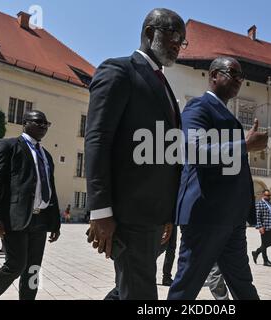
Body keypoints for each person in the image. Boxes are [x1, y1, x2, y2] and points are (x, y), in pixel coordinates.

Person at [85, 8, 186, 300]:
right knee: (141, 293)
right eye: (174, 35)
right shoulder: (119, 71)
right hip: (129, 213)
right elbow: (98, 140)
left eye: (183, 40)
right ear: (149, 32)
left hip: (154, 215)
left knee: (127, 287)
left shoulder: (164, 84)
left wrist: (168, 212)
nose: (178, 44)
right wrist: (101, 210)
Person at [167, 57, 268, 300]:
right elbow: (195, 151)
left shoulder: (226, 115)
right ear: (213, 75)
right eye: (232, 73)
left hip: (231, 219)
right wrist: (244, 144)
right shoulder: (198, 107)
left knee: (243, 285)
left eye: (241, 77)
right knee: (187, 286)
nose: (238, 80)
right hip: (206, 216)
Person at [0, 110, 61, 300]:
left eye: (46, 123)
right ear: (25, 123)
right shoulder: (8, 146)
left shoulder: (46, 156)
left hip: (40, 219)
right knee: (15, 265)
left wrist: (55, 223)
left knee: (33, 268)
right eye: (38, 122)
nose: (43, 126)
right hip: (15, 218)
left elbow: (50, 188)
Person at [252, 189, 271, 267]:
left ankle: (256, 253)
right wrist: (260, 226)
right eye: (267, 195)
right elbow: (257, 216)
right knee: (264, 243)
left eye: (269, 195)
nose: (269, 197)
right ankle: (265, 261)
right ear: (263, 195)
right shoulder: (259, 204)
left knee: (270, 243)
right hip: (264, 227)